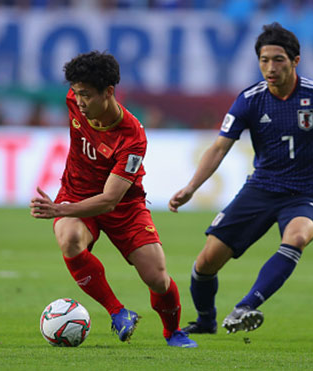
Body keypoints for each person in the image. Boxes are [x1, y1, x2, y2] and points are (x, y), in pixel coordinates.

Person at [168, 23, 313, 335]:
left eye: (278, 60)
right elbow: (220, 146)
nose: (270, 67)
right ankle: (206, 320)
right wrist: (191, 188)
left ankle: (246, 306)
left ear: (295, 61)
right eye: (264, 60)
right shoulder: (250, 99)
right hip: (261, 189)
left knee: (297, 238)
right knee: (206, 262)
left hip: (305, 194)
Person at [30, 51, 197, 348]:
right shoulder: (75, 102)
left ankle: (173, 332)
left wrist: (58, 208)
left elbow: (109, 200)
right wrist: (64, 207)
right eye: (77, 93)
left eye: (87, 95)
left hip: (123, 206)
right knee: (69, 238)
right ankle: (118, 312)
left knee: (157, 277)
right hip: (76, 193)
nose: (79, 101)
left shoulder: (132, 136)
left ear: (109, 92)